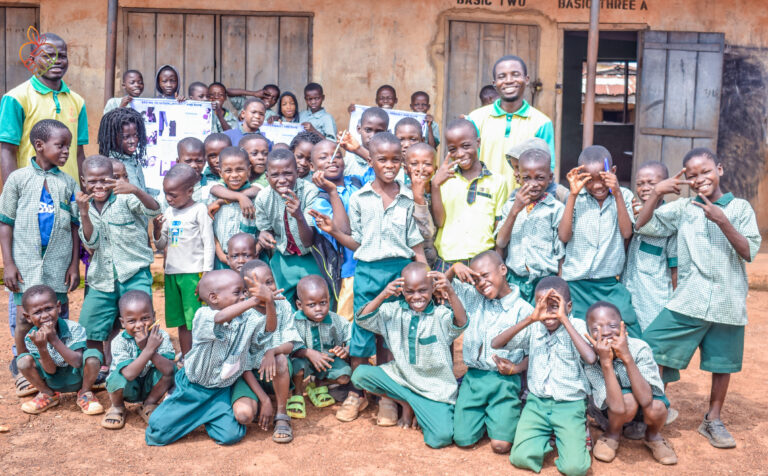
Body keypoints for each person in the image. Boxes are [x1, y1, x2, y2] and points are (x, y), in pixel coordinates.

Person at [635, 148, 761, 449]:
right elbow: (643, 224)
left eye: (705, 171)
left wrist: (722, 221)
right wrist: (656, 194)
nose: (699, 178)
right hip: (689, 300)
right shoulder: (683, 208)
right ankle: (655, 410)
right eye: (691, 175)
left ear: (720, 168)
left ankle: (713, 419)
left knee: (723, 365)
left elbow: (749, 251)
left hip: (727, 302)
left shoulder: (740, 208)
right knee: (651, 347)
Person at [311, 132, 426, 424]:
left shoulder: (407, 198)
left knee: (390, 335)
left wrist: (425, 272)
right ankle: (358, 393)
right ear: (370, 162)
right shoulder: (361, 198)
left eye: (395, 160)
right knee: (362, 333)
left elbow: (415, 245)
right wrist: (334, 231)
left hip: (400, 272)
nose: (390, 165)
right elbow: (356, 242)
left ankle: (387, 396)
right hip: (367, 272)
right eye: (382, 159)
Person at [145, 269, 276, 446]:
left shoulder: (247, 318)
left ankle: (204, 415)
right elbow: (221, 317)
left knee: (232, 436)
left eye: (244, 292)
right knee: (156, 431)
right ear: (214, 298)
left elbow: (269, 330)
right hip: (193, 388)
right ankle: (191, 410)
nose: (243, 296)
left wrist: (269, 303)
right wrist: (255, 300)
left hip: (220, 391)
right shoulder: (203, 315)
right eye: (237, 292)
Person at [0, 120, 80, 395]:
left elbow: (74, 227)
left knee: (56, 318)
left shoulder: (67, 183)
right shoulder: (18, 179)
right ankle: (25, 368)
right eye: (61, 145)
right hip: (24, 267)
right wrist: (8, 263)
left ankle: (61, 371)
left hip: (57, 267)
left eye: (68, 145)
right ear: (39, 145)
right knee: (23, 320)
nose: (66, 151)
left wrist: (73, 265)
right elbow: (5, 223)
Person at [351, 263, 467, 448]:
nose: (417, 297)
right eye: (410, 291)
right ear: (402, 290)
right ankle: (408, 403)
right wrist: (383, 295)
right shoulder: (393, 311)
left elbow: (461, 322)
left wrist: (451, 292)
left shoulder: (440, 315)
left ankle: (418, 405)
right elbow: (363, 319)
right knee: (360, 375)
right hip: (402, 378)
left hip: (435, 390)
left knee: (440, 438)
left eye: (423, 290)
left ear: (432, 288)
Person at [492, 277, 595, 476]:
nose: (548, 313)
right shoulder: (535, 326)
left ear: (569, 306)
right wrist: (531, 318)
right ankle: (551, 435)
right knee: (520, 457)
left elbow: (590, 357)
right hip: (537, 403)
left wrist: (564, 318)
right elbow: (497, 343)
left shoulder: (577, 325)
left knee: (576, 469)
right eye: (542, 306)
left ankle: (575, 430)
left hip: (569, 404)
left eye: (554, 306)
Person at [76, 155, 160, 379]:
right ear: (84, 181)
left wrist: (135, 190)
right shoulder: (85, 207)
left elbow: (154, 210)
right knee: (90, 326)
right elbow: (91, 243)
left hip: (134, 274)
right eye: (92, 181)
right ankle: (94, 373)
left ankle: (146, 370)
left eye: (105, 180)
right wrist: (84, 213)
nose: (99, 186)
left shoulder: (125, 198)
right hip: (101, 277)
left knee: (142, 323)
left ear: (113, 179)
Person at [446, 251, 533, 454]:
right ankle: (488, 417)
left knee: (501, 446)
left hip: (505, 381)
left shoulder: (524, 311)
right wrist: (452, 269)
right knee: (462, 439)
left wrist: (517, 368)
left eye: (486, 275)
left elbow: (534, 352)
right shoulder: (473, 298)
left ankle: (501, 417)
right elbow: (440, 286)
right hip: (474, 379)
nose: (481, 283)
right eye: (476, 280)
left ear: (503, 270)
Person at [559, 145, 640, 337]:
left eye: (602, 178)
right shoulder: (576, 199)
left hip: (609, 283)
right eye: (589, 180)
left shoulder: (624, 196)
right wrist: (572, 194)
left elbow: (627, 232)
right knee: (578, 335)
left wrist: (617, 192)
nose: (597, 186)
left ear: (612, 172)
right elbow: (564, 236)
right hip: (576, 284)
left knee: (631, 330)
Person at [583, 301, 677, 465]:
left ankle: (653, 436)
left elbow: (648, 399)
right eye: (596, 328)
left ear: (624, 328)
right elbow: (617, 407)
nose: (605, 332)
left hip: (644, 403)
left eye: (612, 325)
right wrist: (605, 363)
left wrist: (626, 357)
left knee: (657, 407)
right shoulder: (591, 359)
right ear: (589, 334)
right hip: (613, 410)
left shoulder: (639, 348)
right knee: (628, 401)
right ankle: (612, 434)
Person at [231, 259, 303, 444]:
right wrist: (264, 400)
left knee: (280, 359)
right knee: (244, 416)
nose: (266, 289)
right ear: (246, 293)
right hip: (247, 375)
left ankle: (281, 414)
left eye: (269, 282)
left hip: (276, 373)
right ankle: (262, 400)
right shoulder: (242, 314)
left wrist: (272, 351)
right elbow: (242, 363)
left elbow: (290, 343)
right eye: (258, 286)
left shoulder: (284, 305)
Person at [0, 33, 88, 182]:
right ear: (33, 60)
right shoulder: (16, 98)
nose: (57, 61)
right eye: (48, 56)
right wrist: (14, 194)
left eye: (62, 56)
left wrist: (84, 193)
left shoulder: (78, 101)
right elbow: (7, 151)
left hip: (69, 194)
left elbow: (79, 152)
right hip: (32, 192)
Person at [468, 55, 555, 191]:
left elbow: (546, 169)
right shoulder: (475, 118)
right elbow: (467, 164)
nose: (509, 81)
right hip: (483, 202)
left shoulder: (542, 123)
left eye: (515, 74)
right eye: (502, 76)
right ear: (494, 83)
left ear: (526, 80)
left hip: (524, 203)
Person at [153, 164, 215, 356]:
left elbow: (208, 242)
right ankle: (187, 357)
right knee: (180, 320)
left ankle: (201, 356)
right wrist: (156, 230)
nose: (168, 199)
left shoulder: (199, 210)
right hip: (172, 273)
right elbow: (162, 244)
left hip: (193, 274)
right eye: (166, 194)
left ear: (189, 191)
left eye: (173, 195)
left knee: (195, 319)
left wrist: (206, 273)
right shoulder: (169, 213)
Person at [431, 118, 507, 273]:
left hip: (482, 264)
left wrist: (498, 268)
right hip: (447, 262)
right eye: (453, 149)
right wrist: (435, 186)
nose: (460, 154)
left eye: (466, 146)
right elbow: (439, 222)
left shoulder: (497, 182)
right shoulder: (443, 180)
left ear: (478, 143)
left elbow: (498, 229)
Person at [16, 285, 103, 415]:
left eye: (49, 308)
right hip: (53, 381)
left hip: (77, 377)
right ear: (28, 317)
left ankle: (85, 393)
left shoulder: (73, 328)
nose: (45, 315)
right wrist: (42, 347)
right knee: (23, 360)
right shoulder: (32, 338)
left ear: (58, 307)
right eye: (37, 312)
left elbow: (77, 363)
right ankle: (48, 394)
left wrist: (54, 340)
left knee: (93, 356)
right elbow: (50, 370)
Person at [253, 148, 322, 306]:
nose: (282, 180)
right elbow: (265, 229)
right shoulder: (263, 198)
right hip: (283, 256)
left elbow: (308, 241)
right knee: (283, 304)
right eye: (275, 175)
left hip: (311, 256)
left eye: (288, 173)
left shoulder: (310, 192)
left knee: (316, 301)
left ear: (297, 172)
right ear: (267, 176)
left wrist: (298, 215)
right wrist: (263, 235)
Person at [495, 148, 565, 304]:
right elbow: (500, 242)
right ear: (518, 178)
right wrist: (515, 210)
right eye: (527, 178)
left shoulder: (556, 209)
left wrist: (560, 286)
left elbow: (560, 253)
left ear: (550, 178)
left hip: (545, 282)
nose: (533, 184)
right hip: (515, 279)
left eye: (539, 178)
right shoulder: (510, 206)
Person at [306, 139, 364, 320]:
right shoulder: (320, 200)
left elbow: (382, 165)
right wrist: (332, 192)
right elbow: (344, 231)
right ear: (312, 166)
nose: (332, 160)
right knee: (349, 321)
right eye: (323, 158)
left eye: (337, 155)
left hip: (372, 264)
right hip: (349, 270)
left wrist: (358, 149)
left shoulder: (357, 182)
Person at [101, 291, 175, 430]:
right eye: (131, 321)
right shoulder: (119, 341)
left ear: (154, 316)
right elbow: (128, 374)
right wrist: (147, 349)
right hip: (128, 387)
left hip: (151, 387)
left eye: (145, 318)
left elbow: (169, 370)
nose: (140, 325)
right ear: (122, 322)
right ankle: (117, 407)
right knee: (117, 376)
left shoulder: (161, 336)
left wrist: (151, 349)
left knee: (172, 368)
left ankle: (149, 404)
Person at [622, 161, 678, 332]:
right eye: (640, 184)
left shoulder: (670, 220)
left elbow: (675, 268)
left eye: (652, 184)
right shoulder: (629, 214)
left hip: (655, 304)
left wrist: (676, 307)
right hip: (628, 299)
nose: (645, 188)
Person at [289, 275, 352, 416]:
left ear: (329, 300)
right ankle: (297, 393)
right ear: (300, 305)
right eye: (311, 305)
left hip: (328, 361)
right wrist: (308, 353)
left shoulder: (337, 320)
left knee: (345, 376)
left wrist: (345, 349)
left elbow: (351, 337)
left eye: (323, 303)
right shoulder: (294, 322)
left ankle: (318, 384)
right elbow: (290, 347)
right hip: (303, 360)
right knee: (296, 366)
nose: (318, 309)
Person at [206, 147, 258, 269]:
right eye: (228, 171)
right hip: (221, 260)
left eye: (239, 170)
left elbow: (263, 231)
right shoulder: (214, 198)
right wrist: (220, 255)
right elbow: (209, 230)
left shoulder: (257, 198)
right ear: (220, 173)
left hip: (251, 263)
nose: (234, 175)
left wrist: (253, 255)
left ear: (249, 170)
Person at [98, 107, 150, 194]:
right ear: (112, 137)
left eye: (136, 135)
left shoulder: (132, 160)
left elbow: (142, 190)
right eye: (126, 137)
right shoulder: (112, 166)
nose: (132, 141)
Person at [402, 142, 437, 267]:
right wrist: (418, 197)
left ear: (435, 168)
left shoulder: (439, 192)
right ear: (406, 169)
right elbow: (423, 233)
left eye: (427, 164)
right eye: (414, 164)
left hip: (436, 261)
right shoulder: (401, 195)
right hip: (409, 261)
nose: (420, 168)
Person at [506, 138, 569, 203]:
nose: (515, 174)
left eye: (518, 168)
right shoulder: (515, 196)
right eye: (514, 168)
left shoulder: (561, 195)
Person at [339, 106, 389, 180]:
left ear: (386, 133)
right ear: (359, 129)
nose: (372, 136)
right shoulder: (347, 163)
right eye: (368, 130)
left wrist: (358, 149)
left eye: (379, 132)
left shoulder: (392, 160)